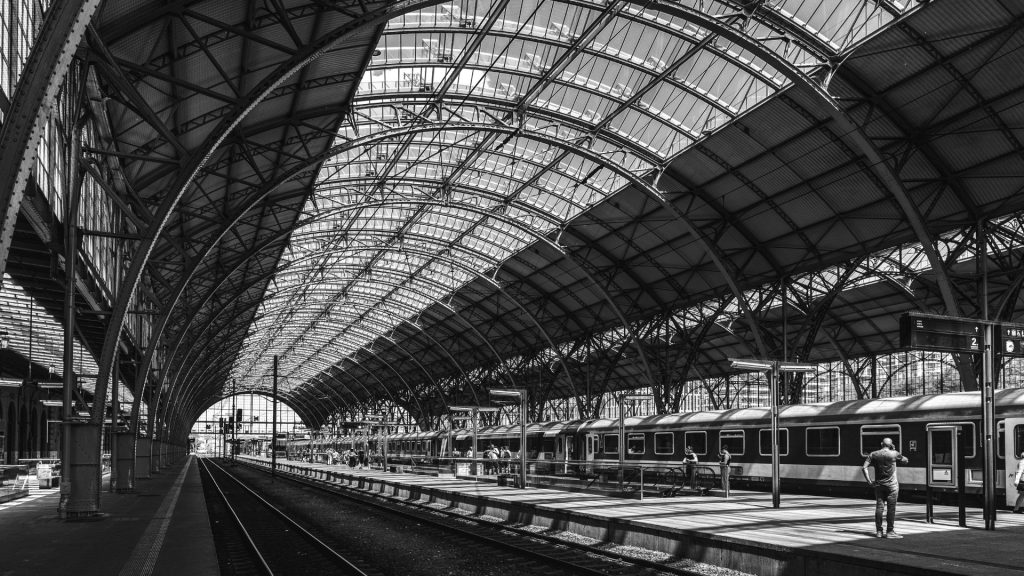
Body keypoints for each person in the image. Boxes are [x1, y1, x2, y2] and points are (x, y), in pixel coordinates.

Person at [862, 437, 909, 538]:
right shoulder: (894, 453)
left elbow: (864, 467)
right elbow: (906, 461)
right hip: (892, 486)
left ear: (881, 444)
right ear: (891, 445)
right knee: (891, 509)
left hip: (879, 485)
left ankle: (879, 531)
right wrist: (894, 450)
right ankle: (890, 532)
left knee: (879, 507)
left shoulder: (873, 454)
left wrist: (870, 482)